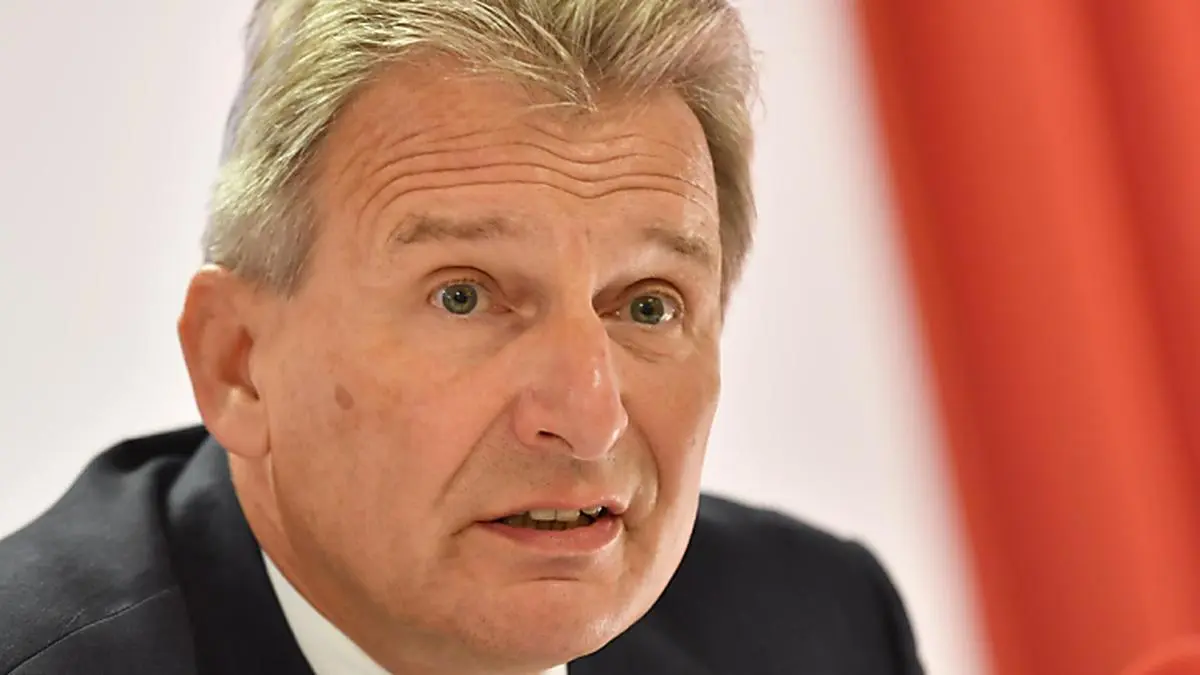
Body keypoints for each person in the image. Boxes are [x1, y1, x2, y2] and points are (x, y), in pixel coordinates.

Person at [0, 1, 926, 673]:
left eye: (647, 305)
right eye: (464, 296)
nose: (587, 418)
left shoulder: (819, 628)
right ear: (237, 363)